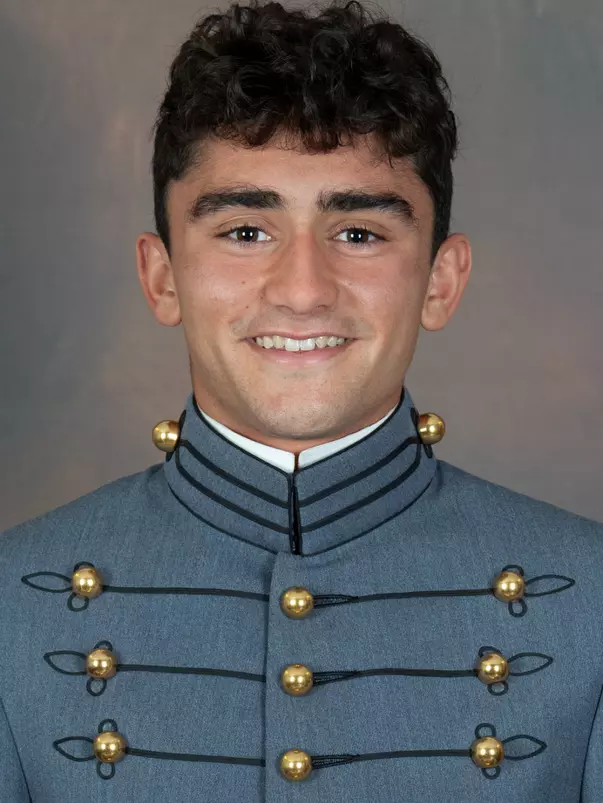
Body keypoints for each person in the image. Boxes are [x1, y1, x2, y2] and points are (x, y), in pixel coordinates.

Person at [1, 0, 601, 800]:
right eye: (245, 231)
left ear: (441, 280)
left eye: (358, 234)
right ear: (161, 276)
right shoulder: (12, 601)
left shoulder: (590, 598)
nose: (303, 290)